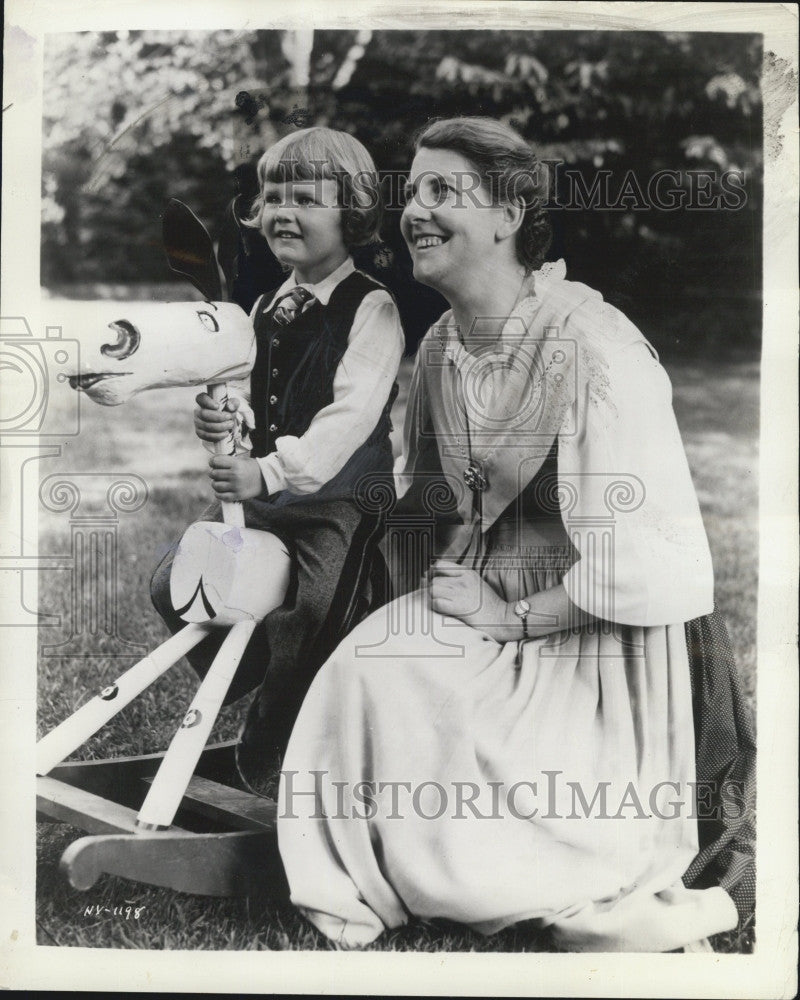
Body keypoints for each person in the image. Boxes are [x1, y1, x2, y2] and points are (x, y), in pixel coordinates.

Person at [275, 117, 755, 951]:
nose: (413, 213)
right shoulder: (439, 348)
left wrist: (509, 619)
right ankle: (377, 871)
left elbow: (646, 566)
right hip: (495, 604)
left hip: (605, 645)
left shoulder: (592, 348)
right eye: (410, 193)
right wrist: (442, 574)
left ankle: (497, 863)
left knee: (492, 784)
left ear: (507, 216)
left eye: (441, 192)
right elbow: (427, 507)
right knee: (376, 660)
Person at [150, 127, 404, 792]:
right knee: (175, 581)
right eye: (273, 196)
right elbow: (244, 395)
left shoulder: (371, 308)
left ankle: (277, 754)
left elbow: (347, 419)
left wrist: (266, 470)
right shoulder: (263, 306)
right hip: (267, 499)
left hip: (337, 505)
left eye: (306, 199)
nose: (283, 211)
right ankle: (254, 673)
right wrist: (223, 418)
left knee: (314, 615)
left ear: (351, 214)